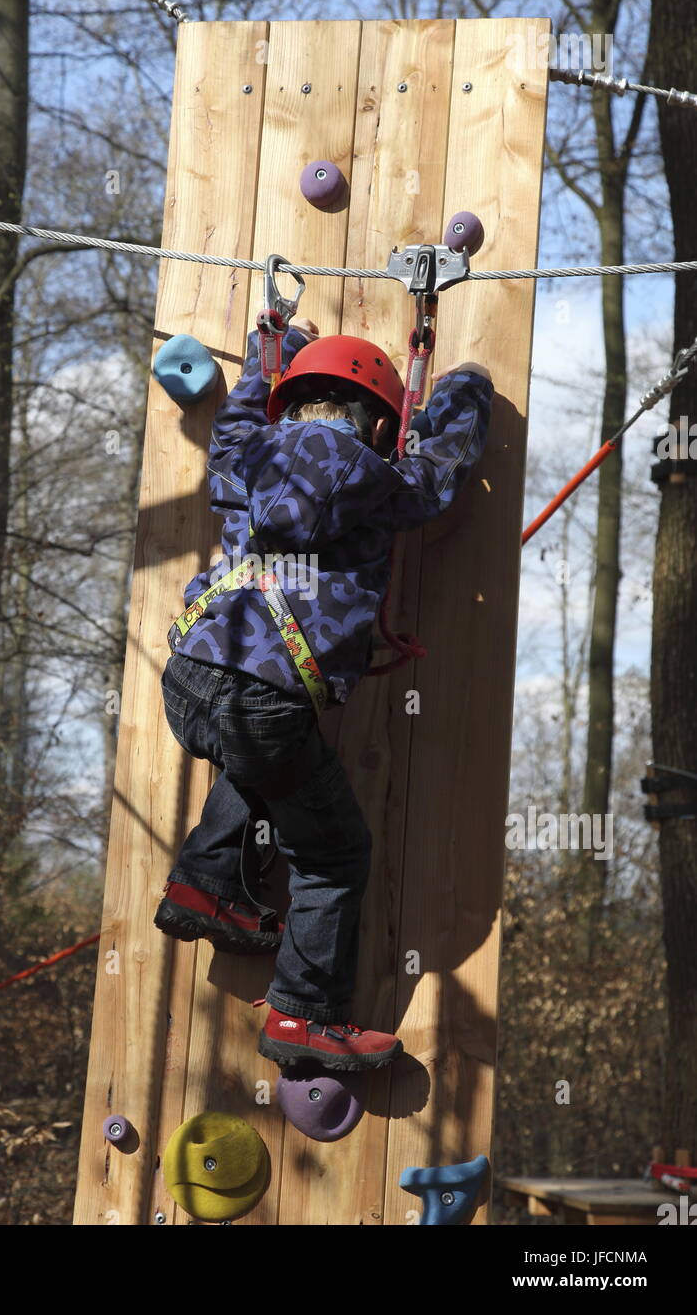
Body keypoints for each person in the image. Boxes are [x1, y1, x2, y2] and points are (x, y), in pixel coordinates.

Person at [154, 317, 494, 1072]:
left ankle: (207, 885)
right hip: (268, 696)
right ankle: (304, 1015)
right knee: (337, 853)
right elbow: (438, 471)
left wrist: (267, 353)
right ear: (377, 423)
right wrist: (467, 389)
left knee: (264, 759)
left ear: (293, 404)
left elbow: (242, 407)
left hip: (188, 679)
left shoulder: (241, 453)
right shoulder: (382, 479)